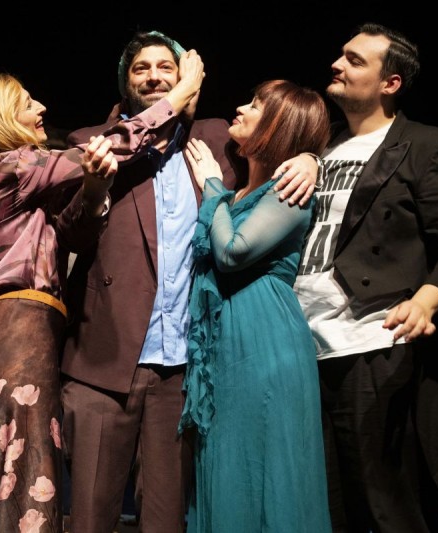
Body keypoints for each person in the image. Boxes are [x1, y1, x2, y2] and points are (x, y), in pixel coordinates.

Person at [59, 30, 321, 532]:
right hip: (105, 361)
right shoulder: (92, 142)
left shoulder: (217, 140)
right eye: (141, 68)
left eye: (166, 67)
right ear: (125, 81)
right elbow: (70, 234)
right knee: (90, 517)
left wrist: (311, 160)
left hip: (184, 368)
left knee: (167, 520)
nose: (154, 76)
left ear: (185, 79)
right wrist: (93, 190)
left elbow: (281, 139)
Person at [0, 58, 204, 532]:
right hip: (17, 337)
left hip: (26, 334)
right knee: (18, 478)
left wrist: (96, 189)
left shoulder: (22, 178)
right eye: (27, 104)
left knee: (20, 475)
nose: (42, 107)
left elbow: (68, 225)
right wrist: (181, 93)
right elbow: (115, 144)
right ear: (1, 120)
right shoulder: (12, 166)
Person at [292, 23, 438, 532]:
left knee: (383, 510)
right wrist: (309, 156)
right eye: (341, 54)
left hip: (372, 344)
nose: (337, 64)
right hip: (301, 347)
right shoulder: (321, 149)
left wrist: (426, 301)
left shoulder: (426, 145)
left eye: (355, 60)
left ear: (391, 83)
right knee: (322, 510)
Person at [179, 79, 332, 533]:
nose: (241, 109)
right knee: (224, 462)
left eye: (256, 105)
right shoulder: (238, 193)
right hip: (225, 342)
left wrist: (211, 184)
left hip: (264, 341)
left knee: (261, 465)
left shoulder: (289, 190)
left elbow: (233, 251)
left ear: (280, 126)